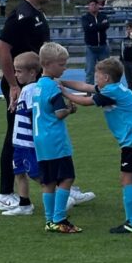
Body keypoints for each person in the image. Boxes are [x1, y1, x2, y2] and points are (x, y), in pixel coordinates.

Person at [0, 0, 94, 213]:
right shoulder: (21, 15)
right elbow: (1, 49)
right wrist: (14, 85)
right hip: (22, 87)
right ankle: (5, 193)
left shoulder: (37, 13)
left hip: (37, 85)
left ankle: (62, 185)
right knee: (16, 138)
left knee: (43, 136)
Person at [60, 57, 132, 234]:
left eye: (97, 75)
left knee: (126, 180)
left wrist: (64, 93)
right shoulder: (112, 88)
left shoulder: (111, 92)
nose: (94, 79)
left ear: (105, 77)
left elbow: (86, 101)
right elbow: (84, 87)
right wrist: (61, 82)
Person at [33, 42, 82, 233]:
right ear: (48, 63)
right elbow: (59, 113)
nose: (64, 68)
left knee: (49, 181)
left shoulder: (37, 86)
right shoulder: (53, 87)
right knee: (67, 177)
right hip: (54, 139)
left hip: (40, 139)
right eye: (61, 64)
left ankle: (49, 220)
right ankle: (60, 218)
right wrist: (70, 108)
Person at [0, 51, 41, 217]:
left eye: (18, 71)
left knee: (35, 174)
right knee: (19, 172)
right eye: (15, 71)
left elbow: (33, 113)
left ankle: (61, 193)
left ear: (32, 72)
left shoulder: (32, 90)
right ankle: (24, 204)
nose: (15, 75)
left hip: (27, 142)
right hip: (18, 141)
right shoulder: (24, 90)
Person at [80, 0, 110, 85]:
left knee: (106, 70)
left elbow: (106, 25)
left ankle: (105, 90)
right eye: (91, 5)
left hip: (103, 47)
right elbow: (87, 28)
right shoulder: (85, 18)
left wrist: (93, 26)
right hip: (91, 48)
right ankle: (89, 92)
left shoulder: (103, 16)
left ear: (98, 6)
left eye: (95, 5)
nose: (93, 6)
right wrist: (100, 26)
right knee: (89, 71)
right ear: (89, 7)